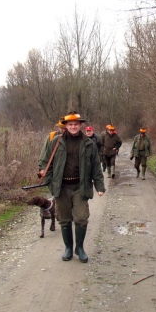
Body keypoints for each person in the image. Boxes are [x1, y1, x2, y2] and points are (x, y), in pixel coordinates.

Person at [39, 111, 105, 263]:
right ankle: (68, 248)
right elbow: (45, 162)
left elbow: (96, 166)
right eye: (70, 124)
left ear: (80, 125)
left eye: (76, 124)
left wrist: (99, 186)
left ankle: (79, 248)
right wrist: (50, 181)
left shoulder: (89, 144)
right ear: (66, 126)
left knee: (81, 218)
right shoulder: (56, 141)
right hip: (61, 188)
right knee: (64, 219)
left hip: (80, 187)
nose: (74, 127)